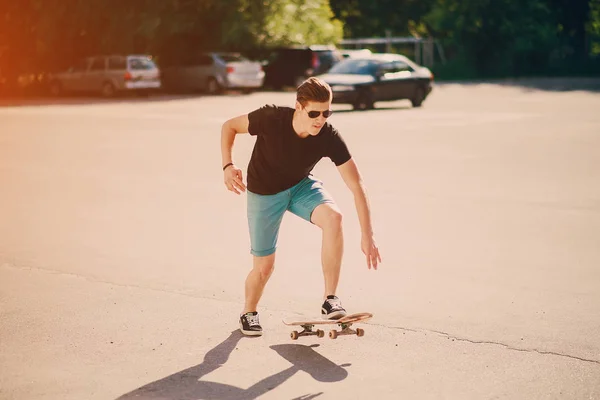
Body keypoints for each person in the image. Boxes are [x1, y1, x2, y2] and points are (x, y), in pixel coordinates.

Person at [221, 77, 381, 336]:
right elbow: (229, 127)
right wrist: (228, 165)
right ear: (298, 107)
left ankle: (330, 299)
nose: (321, 119)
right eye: (314, 113)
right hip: (264, 194)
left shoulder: (328, 136)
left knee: (334, 218)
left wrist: (368, 235)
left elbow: (357, 185)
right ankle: (249, 312)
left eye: (326, 112)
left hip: (299, 187)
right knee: (264, 268)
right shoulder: (270, 118)